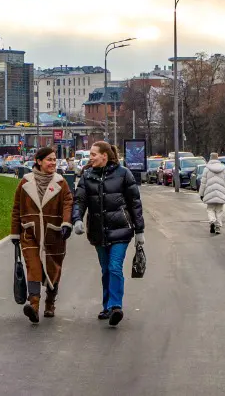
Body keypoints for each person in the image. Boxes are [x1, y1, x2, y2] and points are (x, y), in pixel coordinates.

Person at [72, 140, 144, 327]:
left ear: (104, 155)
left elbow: (135, 203)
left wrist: (139, 231)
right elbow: (79, 200)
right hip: (98, 231)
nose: (91, 158)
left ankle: (115, 306)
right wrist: (77, 219)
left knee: (114, 267)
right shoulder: (87, 176)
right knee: (105, 270)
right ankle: (107, 306)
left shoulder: (123, 174)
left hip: (121, 229)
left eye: (93, 154)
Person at [11, 146, 74, 323]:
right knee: (33, 267)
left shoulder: (61, 183)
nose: (53, 163)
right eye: (49, 160)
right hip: (29, 232)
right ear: (39, 161)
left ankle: (50, 303)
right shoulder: (25, 183)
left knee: (53, 270)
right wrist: (15, 233)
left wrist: (66, 223)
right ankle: (34, 305)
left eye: (54, 160)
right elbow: (16, 209)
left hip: (54, 234)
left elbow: (68, 203)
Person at [198, 158, 225, 234]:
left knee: (210, 209)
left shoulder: (206, 169)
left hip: (209, 193)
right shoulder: (223, 169)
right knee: (219, 210)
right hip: (221, 193)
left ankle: (212, 221)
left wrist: (201, 194)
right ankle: (218, 227)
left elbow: (203, 183)